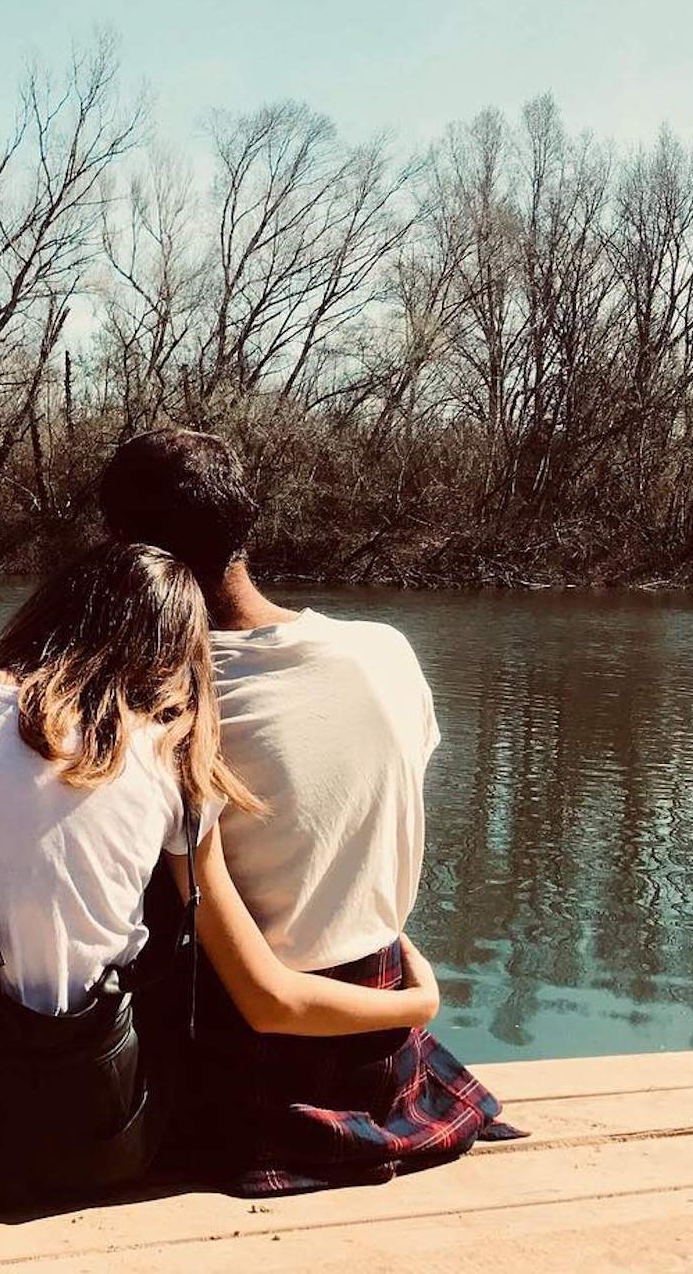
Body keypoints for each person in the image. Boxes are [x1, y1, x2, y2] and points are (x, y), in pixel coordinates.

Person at [0, 542, 445, 1211]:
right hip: (114, 1143)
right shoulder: (173, 759)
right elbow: (265, 995)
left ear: (53, 608)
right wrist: (417, 1006)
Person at [97, 426, 521, 1194]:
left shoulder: (153, 702)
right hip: (385, 1026)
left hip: (249, 1053)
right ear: (244, 527)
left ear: (126, 549)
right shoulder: (385, 651)